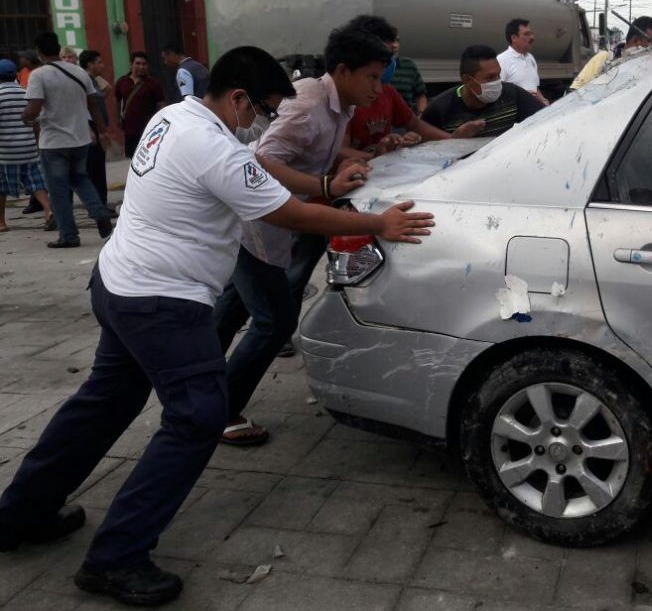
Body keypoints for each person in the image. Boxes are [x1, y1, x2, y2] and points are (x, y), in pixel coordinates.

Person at [0, 46, 433, 606]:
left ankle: (20, 515)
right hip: (161, 302)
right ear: (238, 98)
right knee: (198, 416)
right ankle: (116, 557)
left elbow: (260, 171)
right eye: (263, 111)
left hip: (119, 283)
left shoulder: (174, 116)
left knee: (103, 402)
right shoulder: (213, 146)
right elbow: (288, 213)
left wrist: (326, 183)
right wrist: (379, 223)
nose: (263, 124)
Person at [213, 28, 403, 447]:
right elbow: (263, 161)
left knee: (234, 307)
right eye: (372, 77)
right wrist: (325, 186)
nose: (378, 87)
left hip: (273, 221)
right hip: (258, 222)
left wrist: (356, 161)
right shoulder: (308, 103)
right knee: (274, 321)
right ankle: (219, 411)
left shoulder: (340, 104)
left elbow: (313, 153)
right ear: (343, 70)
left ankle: (190, 385)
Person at [21, 32, 112, 249]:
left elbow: (34, 108)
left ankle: (69, 235)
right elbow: (93, 104)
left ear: (39, 52)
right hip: (80, 139)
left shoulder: (39, 75)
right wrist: (102, 131)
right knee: (80, 178)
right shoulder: (78, 71)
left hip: (54, 142)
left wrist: (25, 116)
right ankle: (99, 212)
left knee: (58, 190)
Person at [341, 15, 482, 155]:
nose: (389, 63)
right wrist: (376, 156)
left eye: (390, 57)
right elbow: (339, 152)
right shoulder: (345, 100)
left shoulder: (388, 91)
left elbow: (415, 124)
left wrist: (453, 140)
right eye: (384, 57)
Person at [422, 45, 546, 137]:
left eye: (498, 74)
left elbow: (544, 118)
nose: (497, 82)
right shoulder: (440, 110)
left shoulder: (512, 95)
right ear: (467, 80)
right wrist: (455, 139)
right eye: (490, 77)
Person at [0, 59, 52, 231]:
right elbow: (35, 122)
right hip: (28, 147)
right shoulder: (26, 93)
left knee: (1, 187)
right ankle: (49, 211)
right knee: (36, 183)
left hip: (5, 151)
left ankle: (1, 222)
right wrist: (36, 143)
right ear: (15, 75)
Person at [79, 50, 112, 211]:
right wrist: (93, 130)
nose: (102, 65)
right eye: (98, 62)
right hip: (91, 128)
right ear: (90, 64)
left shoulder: (93, 80)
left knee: (98, 168)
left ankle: (101, 203)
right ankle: (98, 205)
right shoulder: (85, 81)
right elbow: (85, 107)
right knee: (94, 169)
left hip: (97, 127)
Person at [115, 52, 165, 158]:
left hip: (149, 129)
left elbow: (161, 104)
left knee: (148, 157)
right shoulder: (122, 81)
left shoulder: (153, 83)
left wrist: (160, 123)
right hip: (130, 129)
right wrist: (118, 118)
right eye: (138, 63)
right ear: (131, 64)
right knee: (131, 157)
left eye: (144, 64)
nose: (141, 67)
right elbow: (118, 100)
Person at [17, 50, 45, 216]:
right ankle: (36, 201)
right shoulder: (23, 73)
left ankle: (39, 202)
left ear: (28, 59)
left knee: (37, 167)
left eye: (22, 57)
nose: (19, 59)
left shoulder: (38, 74)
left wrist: (27, 117)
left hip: (38, 121)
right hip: (33, 122)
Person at [497, 18, 546, 104]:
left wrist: (544, 100)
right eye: (527, 34)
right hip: (517, 111)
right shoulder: (502, 60)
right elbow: (498, 92)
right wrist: (523, 95)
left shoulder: (530, 58)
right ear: (514, 38)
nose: (532, 37)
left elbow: (535, 88)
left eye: (531, 34)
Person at [388, 30, 430, 115]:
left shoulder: (408, 65)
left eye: (397, 41)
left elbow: (420, 95)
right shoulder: (373, 67)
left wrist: (421, 114)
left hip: (404, 119)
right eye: (390, 41)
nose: (395, 45)